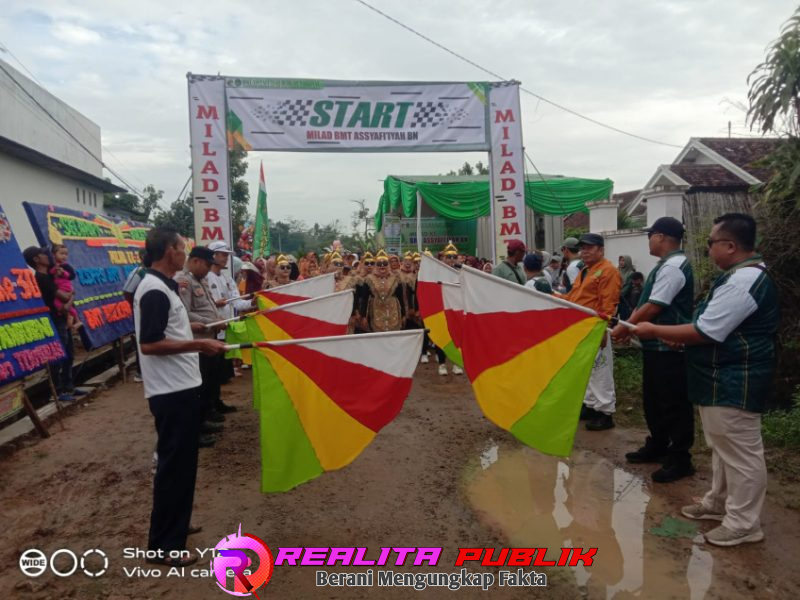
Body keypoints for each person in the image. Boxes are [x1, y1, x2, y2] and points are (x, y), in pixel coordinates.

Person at [635, 213, 778, 547]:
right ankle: (718, 502)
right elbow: (711, 326)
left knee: (740, 452)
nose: (708, 249)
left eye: (711, 243)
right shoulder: (736, 277)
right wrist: (678, 336)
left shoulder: (745, 280)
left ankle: (744, 523)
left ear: (730, 246)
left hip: (735, 378)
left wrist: (655, 330)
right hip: (718, 377)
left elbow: (706, 330)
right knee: (722, 446)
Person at [133, 227, 226, 567]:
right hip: (170, 391)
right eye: (180, 247)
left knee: (184, 465)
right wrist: (199, 344)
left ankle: (176, 525)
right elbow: (149, 344)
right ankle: (163, 545)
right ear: (167, 251)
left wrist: (197, 330)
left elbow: (170, 330)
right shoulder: (154, 289)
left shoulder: (165, 287)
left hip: (181, 387)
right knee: (174, 466)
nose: (184, 253)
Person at [612, 217, 695, 483]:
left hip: (669, 347)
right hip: (655, 346)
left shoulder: (674, 267)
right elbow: (644, 305)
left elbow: (655, 306)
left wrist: (626, 327)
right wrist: (628, 325)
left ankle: (680, 458)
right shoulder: (664, 266)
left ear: (660, 237)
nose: (649, 240)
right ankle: (658, 444)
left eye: (650, 235)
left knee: (673, 404)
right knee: (654, 400)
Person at [564, 233, 621, 431]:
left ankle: (605, 412)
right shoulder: (586, 271)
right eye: (583, 248)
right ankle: (591, 405)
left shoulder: (608, 271)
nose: (585, 251)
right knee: (587, 371)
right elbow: (573, 297)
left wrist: (602, 331)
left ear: (601, 249)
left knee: (600, 371)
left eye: (590, 247)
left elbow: (608, 304)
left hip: (596, 329)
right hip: (581, 329)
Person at [174, 246, 229, 449]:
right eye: (207, 264)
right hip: (197, 341)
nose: (208, 269)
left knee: (209, 382)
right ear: (196, 261)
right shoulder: (184, 281)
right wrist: (211, 321)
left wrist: (216, 319)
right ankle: (196, 428)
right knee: (199, 386)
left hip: (209, 336)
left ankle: (205, 418)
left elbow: (208, 305)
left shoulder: (200, 280)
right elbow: (184, 314)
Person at [24, 246, 77, 402]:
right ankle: (58, 391)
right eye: (43, 254)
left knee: (69, 353)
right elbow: (65, 298)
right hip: (56, 319)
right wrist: (72, 295)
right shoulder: (41, 278)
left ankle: (69, 387)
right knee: (58, 356)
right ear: (36, 259)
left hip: (62, 317)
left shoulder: (51, 275)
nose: (48, 256)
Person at [355, 249, 407, 333]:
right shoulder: (369, 279)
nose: (382, 266)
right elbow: (365, 299)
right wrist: (363, 316)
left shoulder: (396, 278)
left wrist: (404, 314)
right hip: (375, 312)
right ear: (376, 265)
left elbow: (401, 298)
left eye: (385, 264)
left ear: (388, 265)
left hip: (393, 312)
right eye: (379, 264)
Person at [50, 244, 81, 332]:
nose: (64, 256)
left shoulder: (66, 266)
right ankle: (72, 319)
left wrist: (63, 273)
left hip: (65, 288)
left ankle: (71, 318)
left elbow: (72, 276)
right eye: (62, 253)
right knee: (58, 303)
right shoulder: (55, 265)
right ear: (53, 254)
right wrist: (54, 270)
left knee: (62, 304)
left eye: (66, 254)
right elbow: (51, 272)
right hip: (61, 288)